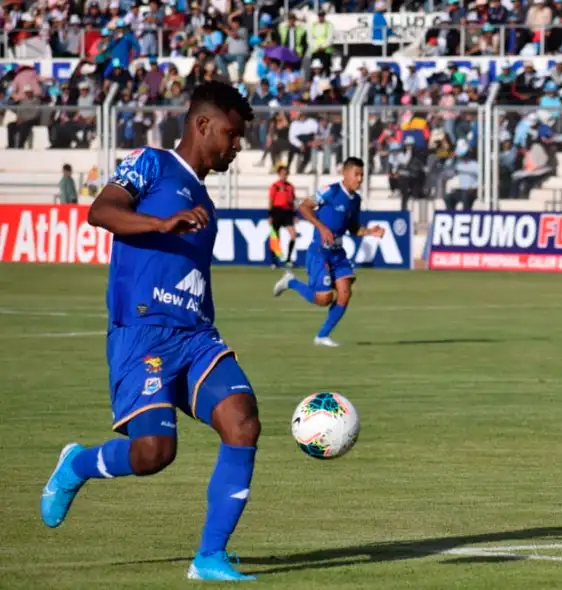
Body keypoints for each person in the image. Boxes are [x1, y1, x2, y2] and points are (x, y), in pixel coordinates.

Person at [40, 81, 260, 582]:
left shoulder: (205, 203)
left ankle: (209, 558)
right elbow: (101, 212)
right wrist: (160, 224)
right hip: (142, 333)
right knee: (154, 454)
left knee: (243, 422)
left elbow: (192, 279)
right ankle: (78, 465)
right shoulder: (152, 163)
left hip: (195, 335)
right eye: (231, 133)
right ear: (202, 124)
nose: (236, 144)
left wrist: (211, 331)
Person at [272, 158, 385, 348]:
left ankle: (322, 336)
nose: (359, 179)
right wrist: (322, 228)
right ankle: (290, 282)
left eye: (362, 175)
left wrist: (369, 231)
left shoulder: (356, 200)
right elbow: (303, 207)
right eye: (356, 174)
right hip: (319, 251)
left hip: (337, 253)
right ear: (345, 174)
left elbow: (352, 227)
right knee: (324, 299)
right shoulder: (330, 191)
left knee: (345, 293)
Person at [268, 165, 298, 268]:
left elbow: (293, 201)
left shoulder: (290, 187)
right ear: (279, 174)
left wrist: (294, 215)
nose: (284, 176)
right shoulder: (275, 186)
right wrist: (270, 215)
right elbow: (271, 201)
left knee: (293, 235)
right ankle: (274, 261)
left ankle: (288, 259)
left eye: (286, 174)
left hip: (287, 212)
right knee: (275, 237)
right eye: (282, 174)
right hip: (277, 211)